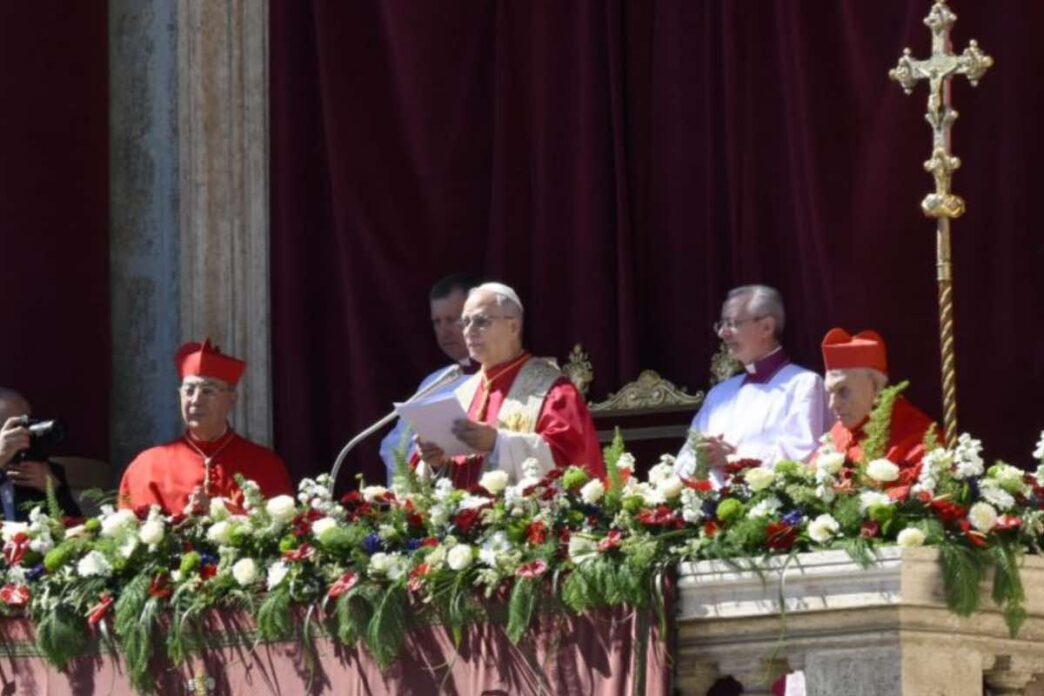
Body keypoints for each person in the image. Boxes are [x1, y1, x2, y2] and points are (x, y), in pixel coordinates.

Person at [416, 282, 605, 487]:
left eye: (480, 321)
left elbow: (571, 459)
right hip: (459, 515)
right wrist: (436, 462)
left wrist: (497, 442)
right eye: (465, 322)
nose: (469, 331)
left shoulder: (554, 391)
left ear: (513, 326)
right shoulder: (463, 393)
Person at [675, 285, 830, 485]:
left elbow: (801, 460)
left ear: (766, 327)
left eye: (732, 323)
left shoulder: (804, 385)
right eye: (720, 325)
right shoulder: (719, 394)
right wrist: (703, 458)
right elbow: (684, 460)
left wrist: (732, 461)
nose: (723, 333)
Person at [119, 339, 293, 513]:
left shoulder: (266, 465)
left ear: (231, 399)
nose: (195, 400)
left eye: (208, 391)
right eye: (189, 390)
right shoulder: (147, 466)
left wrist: (226, 514)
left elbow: (280, 530)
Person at [379, 273, 481, 483]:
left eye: (452, 320)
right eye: (437, 321)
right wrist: (424, 458)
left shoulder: (508, 377)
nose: (444, 331)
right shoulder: (436, 381)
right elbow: (396, 448)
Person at [821, 328, 936, 468]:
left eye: (843, 391)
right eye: (830, 392)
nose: (832, 405)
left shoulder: (918, 438)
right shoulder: (838, 433)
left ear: (875, 386)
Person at [0, 388, 82, 521]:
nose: (24, 431)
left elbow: (77, 528)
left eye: (27, 423)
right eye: (15, 426)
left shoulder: (43, 470)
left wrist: (54, 489)